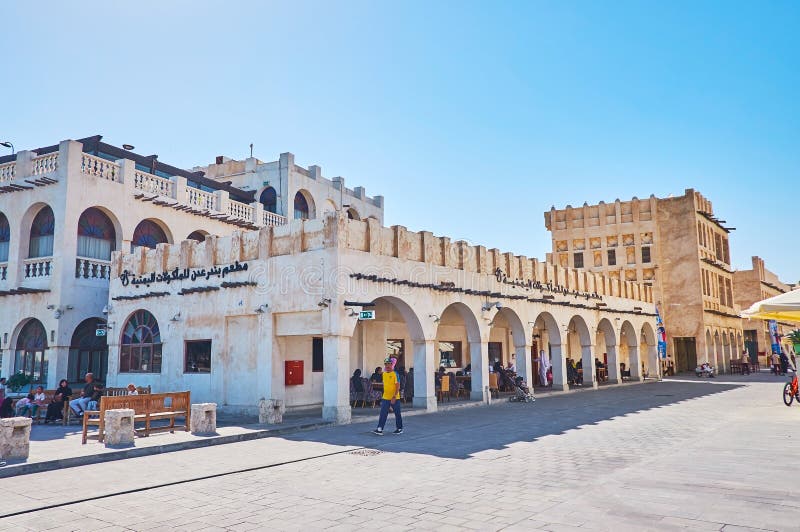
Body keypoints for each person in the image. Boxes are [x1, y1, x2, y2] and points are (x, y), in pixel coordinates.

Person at [373, 357, 403, 435]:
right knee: (383, 413)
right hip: (385, 397)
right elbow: (385, 385)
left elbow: (398, 386)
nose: (387, 366)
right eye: (386, 364)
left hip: (395, 398)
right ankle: (379, 429)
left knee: (397, 413)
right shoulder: (384, 374)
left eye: (389, 364)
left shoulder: (395, 374)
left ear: (391, 364)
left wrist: (394, 396)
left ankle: (399, 428)